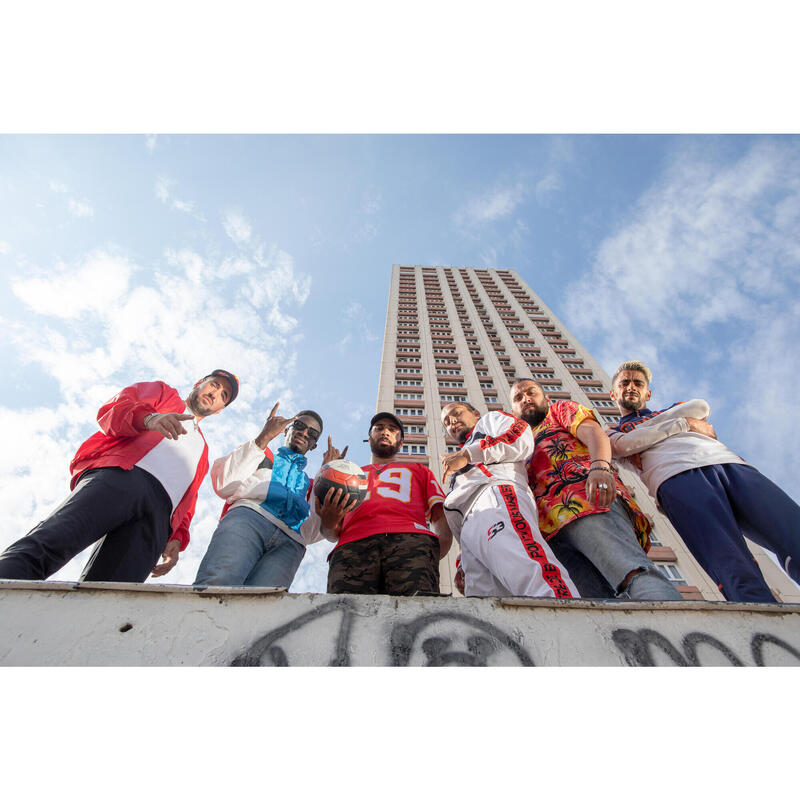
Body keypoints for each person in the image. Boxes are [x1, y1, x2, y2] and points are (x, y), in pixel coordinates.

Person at [0, 370, 238, 582]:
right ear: (199, 383)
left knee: (111, 593)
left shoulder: (204, 452)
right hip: (122, 478)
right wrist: (149, 418)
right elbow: (114, 410)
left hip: (157, 519)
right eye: (214, 385)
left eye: (224, 395)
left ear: (220, 410)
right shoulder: (165, 394)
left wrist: (176, 537)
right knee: (53, 541)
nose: (216, 393)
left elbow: (189, 500)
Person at [608, 360, 800, 603]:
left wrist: (646, 434)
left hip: (731, 465)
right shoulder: (613, 429)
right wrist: (684, 424)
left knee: (792, 531)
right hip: (675, 479)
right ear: (613, 393)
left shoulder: (671, 408)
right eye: (624, 383)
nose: (631, 387)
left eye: (638, 383)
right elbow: (622, 445)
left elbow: (700, 406)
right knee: (730, 563)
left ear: (648, 392)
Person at [509, 378, 682, 601]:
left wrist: (600, 466)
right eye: (518, 398)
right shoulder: (519, 442)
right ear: (513, 410)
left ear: (546, 398)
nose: (526, 399)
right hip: (549, 533)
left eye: (531, 393)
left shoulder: (560, 410)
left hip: (588, 502)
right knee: (595, 602)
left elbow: (593, 433)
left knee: (630, 573)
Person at [440, 400, 577, 599]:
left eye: (457, 413)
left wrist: (468, 454)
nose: (452, 421)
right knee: (487, 605)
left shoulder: (491, 420)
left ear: (476, 413)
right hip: (469, 526)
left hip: (495, 494)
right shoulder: (462, 455)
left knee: (527, 569)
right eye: (446, 422)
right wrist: (462, 555)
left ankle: (569, 621)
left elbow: (519, 437)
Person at [316, 412, 452, 595]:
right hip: (352, 545)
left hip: (411, 541)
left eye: (392, 429)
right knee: (346, 616)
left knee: (415, 616)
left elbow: (439, 514)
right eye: (379, 428)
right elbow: (330, 533)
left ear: (401, 442)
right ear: (369, 438)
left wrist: (438, 549)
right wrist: (328, 521)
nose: (385, 432)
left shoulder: (420, 470)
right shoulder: (348, 475)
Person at [194, 403, 328, 588]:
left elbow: (314, 532)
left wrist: (327, 477)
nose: (304, 433)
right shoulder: (260, 453)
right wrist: (263, 437)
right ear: (286, 429)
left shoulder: (312, 484)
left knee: (261, 607)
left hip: (290, 543)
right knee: (217, 584)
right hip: (248, 519)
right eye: (299, 426)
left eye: (312, 433)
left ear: (314, 445)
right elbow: (223, 483)